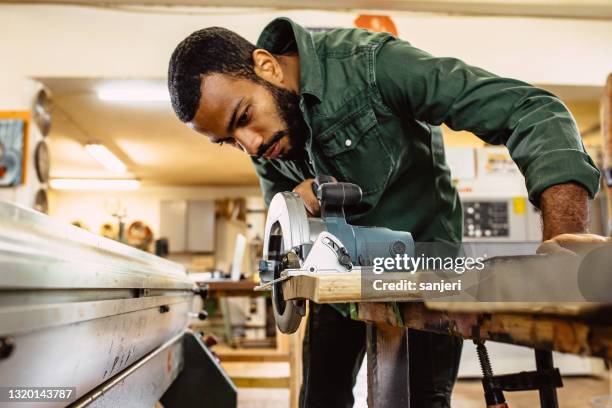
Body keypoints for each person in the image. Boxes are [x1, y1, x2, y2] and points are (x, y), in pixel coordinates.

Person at [167, 17, 604, 407]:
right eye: (229, 140)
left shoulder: (373, 66)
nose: (250, 144)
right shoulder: (264, 136)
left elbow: (533, 112)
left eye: (244, 117)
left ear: (267, 65)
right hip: (337, 284)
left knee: (420, 401)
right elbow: (284, 217)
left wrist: (563, 244)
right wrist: (297, 204)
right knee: (320, 399)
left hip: (427, 276)